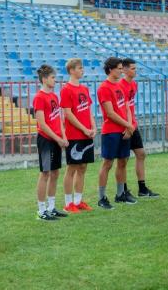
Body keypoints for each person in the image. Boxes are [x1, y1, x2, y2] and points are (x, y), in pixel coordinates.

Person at [97, 57, 134, 209]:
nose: (121, 70)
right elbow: (110, 113)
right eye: (119, 68)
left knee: (123, 162)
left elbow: (126, 107)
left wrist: (129, 126)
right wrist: (128, 125)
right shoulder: (104, 88)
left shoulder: (120, 86)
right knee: (107, 164)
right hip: (111, 131)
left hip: (124, 130)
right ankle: (102, 198)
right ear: (111, 69)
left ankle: (120, 195)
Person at [33, 64, 69, 220]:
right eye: (53, 77)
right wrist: (58, 138)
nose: (55, 80)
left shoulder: (54, 96)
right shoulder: (39, 97)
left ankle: (52, 207)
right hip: (46, 140)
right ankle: (41, 210)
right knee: (45, 173)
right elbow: (42, 124)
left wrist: (64, 136)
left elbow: (59, 119)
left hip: (57, 139)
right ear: (45, 79)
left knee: (55, 172)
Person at [119, 58, 159, 198]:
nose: (135, 71)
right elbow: (121, 108)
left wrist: (132, 125)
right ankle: (122, 190)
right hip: (124, 127)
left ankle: (142, 189)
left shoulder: (134, 85)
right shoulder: (120, 86)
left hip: (133, 125)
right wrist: (127, 126)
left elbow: (130, 107)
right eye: (132, 68)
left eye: (135, 68)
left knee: (141, 154)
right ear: (124, 69)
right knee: (123, 160)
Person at [60, 59, 96, 213]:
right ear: (71, 70)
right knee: (72, 168)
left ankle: (78, 201)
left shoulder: (84, 88)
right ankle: (68, 203)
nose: (83, 70)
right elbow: (68, 114)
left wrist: (93, 127)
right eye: (80, 68)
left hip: (87, 133)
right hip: (74, 134)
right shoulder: (66, 89)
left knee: (83, 167)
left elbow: (88, 110)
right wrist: (84, 129)